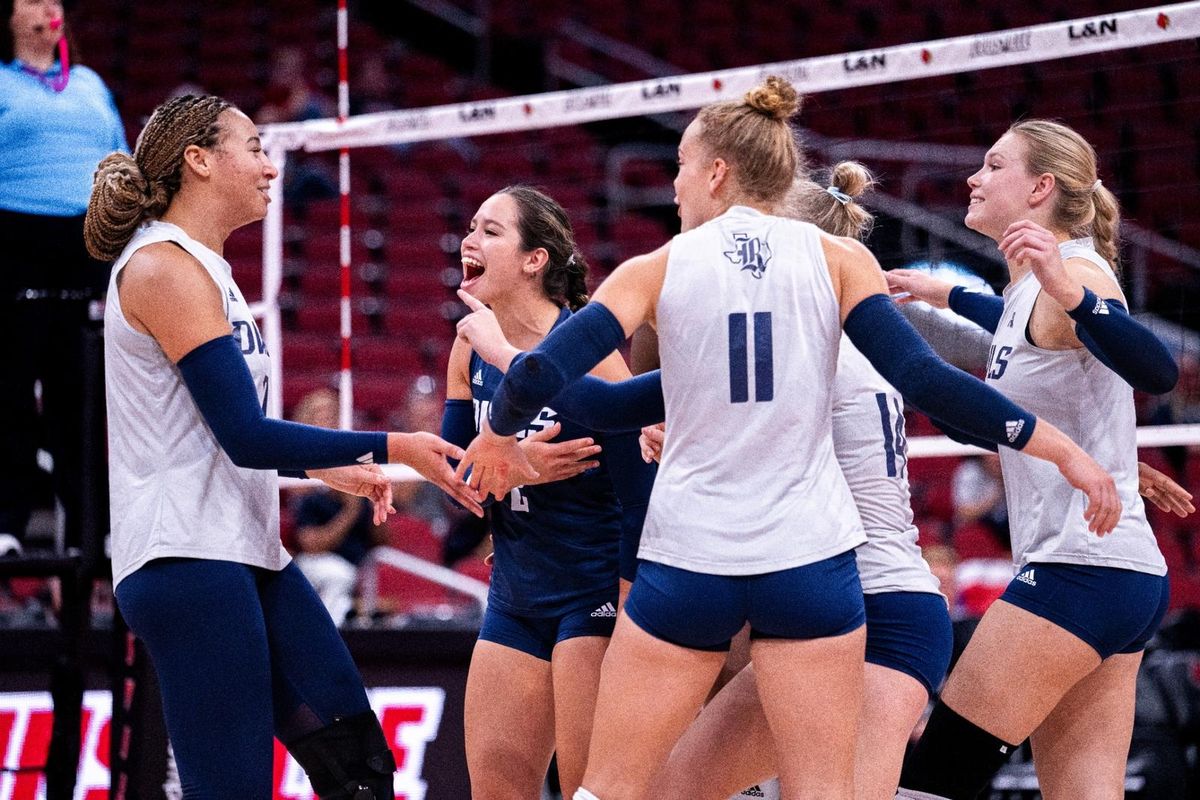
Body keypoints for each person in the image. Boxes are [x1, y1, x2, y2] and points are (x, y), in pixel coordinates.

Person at [453, 77, 1120, 800]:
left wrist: (499, 418)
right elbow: (930, 382)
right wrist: (1062, 448)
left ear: (717, 172)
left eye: (680, 164)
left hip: (700, 561)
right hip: (810, 567)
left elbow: (571, 385)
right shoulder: (839, 267)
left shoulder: (663, 265)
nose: (673, 183)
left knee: (612, 789)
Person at [84, 93, 482, 800]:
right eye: (255, 148)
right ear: (199, 161)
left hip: (245, 549)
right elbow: (244, 435)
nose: (272, 167)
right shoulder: (161, 268)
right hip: (186, 558)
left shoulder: (209, 269)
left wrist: (338, 468)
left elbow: (220, 430)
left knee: (358, 767)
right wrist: (393, 446)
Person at [887, 119, 1181, 800]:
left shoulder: (1071, 273)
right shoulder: (1032, 288)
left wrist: (1072, 292)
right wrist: (943, 294)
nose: (974, 178)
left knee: (935, 778)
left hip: (1078, 572)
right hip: (1119, 576)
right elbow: (1025, 347)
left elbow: (1157, 370)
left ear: (1041, 187)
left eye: (994, 166)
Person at [441, 185, 654, 799]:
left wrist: (632, 606)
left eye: (490, 231)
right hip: (515, 593)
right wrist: (518, 467)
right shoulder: (468, 344)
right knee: (495, 789)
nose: (470, 240)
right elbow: (457, 483)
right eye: (471, 227)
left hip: (595, 591)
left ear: (535, 260)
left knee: (590, 790)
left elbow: (641, 493)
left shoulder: (588, 350)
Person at [1, 0, 126, 553]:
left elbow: (120, 158)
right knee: (9, 386)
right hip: (13, 239)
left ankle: (88, 528)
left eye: (54, 0)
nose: (48, 7)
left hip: (84, 243)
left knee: (79, 390)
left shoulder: (90, 83)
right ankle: (7, 522)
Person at [288, 389, 389, 625]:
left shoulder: (354, 461)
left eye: (333, 412)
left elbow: (382, 540)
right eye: (320, 413)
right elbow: (311, 544)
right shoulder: (299, 472)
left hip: (360, 562)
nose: (328, 418)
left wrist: (377, 502)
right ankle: (330, 630)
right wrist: (349, 511)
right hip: (315, 563)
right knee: (337, 574)